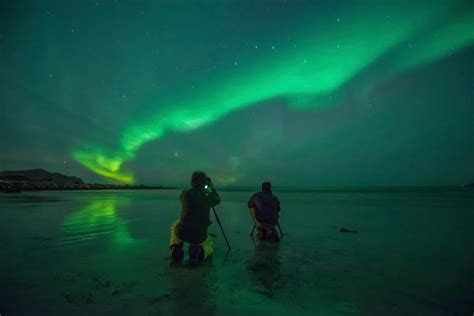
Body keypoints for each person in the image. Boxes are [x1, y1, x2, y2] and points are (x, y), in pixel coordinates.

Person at [170, 171, 221, 266]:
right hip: (199, 235)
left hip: (182, 232)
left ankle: (176, 248)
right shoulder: (208, 196)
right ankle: (198, 251)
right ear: (204, 182)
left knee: (175, 224)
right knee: (209, 245)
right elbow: (217, 200)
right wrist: (211, 187)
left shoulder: (184, 194)